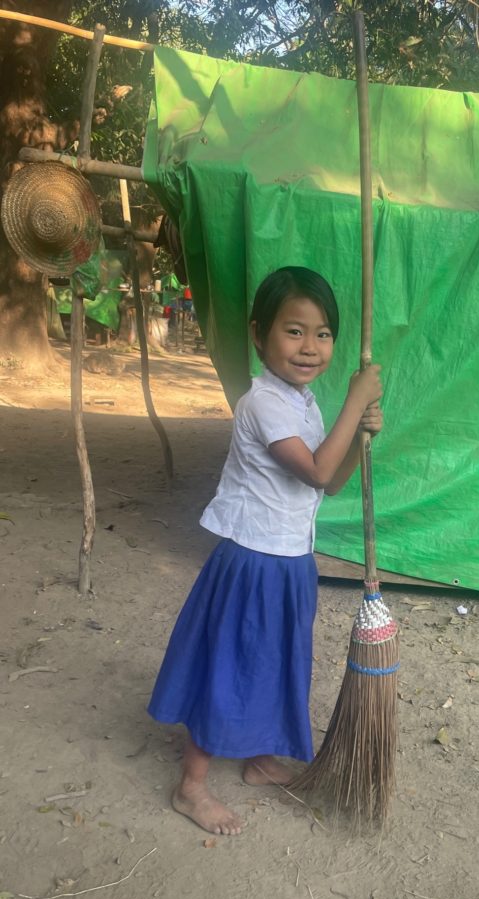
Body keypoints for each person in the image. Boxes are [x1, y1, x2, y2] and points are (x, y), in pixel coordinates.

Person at [148, 266, 383, 835]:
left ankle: (257, 761)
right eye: (294, 331)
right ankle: (192, 786)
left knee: (278, 662)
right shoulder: (262, 403)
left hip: (291, 560)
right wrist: (356, 400)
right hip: (252, 560)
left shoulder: (302, 403)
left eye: (323, 333)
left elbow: (332, 481)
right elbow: (314, 468)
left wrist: (360, 435)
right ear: (260, 335)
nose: (310, 347)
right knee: (229, 665)